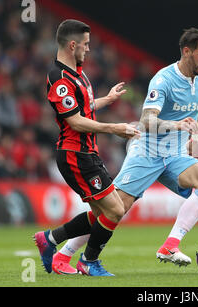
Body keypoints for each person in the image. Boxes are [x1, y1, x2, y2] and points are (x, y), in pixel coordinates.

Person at [51, 28, 198, 272]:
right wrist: (176, 124)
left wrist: (192, 135)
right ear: (186, 52)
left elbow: (194, 108)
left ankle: (170, 245)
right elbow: (147, 121)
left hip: (174, 154)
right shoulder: (163, 80)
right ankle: (63, 255)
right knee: (115, 208)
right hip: (147, 151)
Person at [33, 19, 140, 277]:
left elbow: (84, 108)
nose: (88, 49)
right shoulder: (58, 78)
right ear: (73, 45)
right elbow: (75, 121)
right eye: (86, 44)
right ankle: (88, 261)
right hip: (75, 155)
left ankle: (50, 239)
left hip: (87, 153)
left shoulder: (78, 74)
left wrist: (108, 99)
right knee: (115, 210)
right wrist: (115, 128)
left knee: (101, 213)